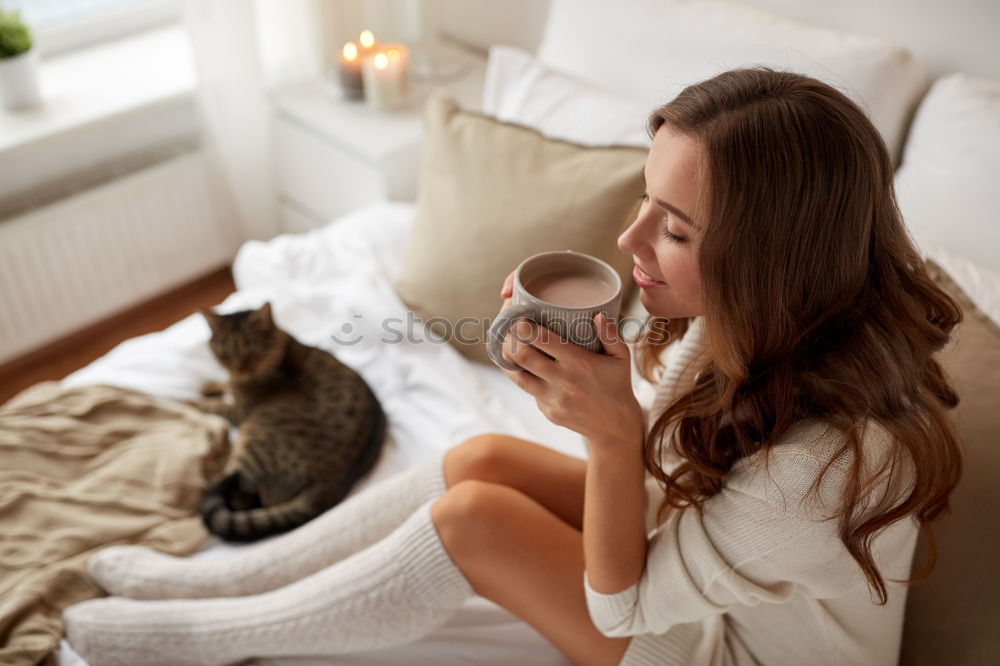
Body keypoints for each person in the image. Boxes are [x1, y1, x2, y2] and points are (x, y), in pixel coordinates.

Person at [63, 66, 962, 666]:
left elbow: (624, 608)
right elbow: (672, 478)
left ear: (774, 257)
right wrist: (604, 399)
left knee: (474, 523)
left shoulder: (822, 463)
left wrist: (611, 438)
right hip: (706, 563)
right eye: (647, 202)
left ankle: (199, 633)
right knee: (478, 461)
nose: (629, 240)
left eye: (675, 230)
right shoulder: (746, 319)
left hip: (731, 651)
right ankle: (217, 580)